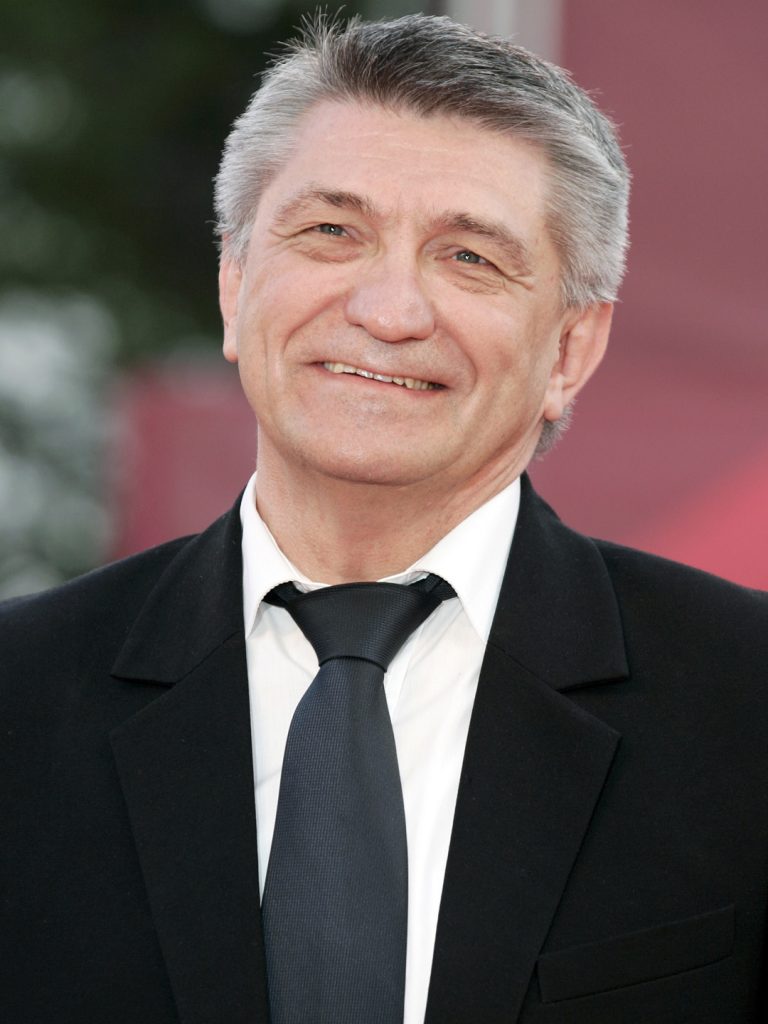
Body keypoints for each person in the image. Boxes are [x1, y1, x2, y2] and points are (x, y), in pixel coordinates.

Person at [1, 13, 766, 1024]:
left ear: (570, 350)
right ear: (235, 283)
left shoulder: (747, 703)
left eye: (469, 257)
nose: (389, 309)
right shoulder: (18, 698)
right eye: (332, 232)